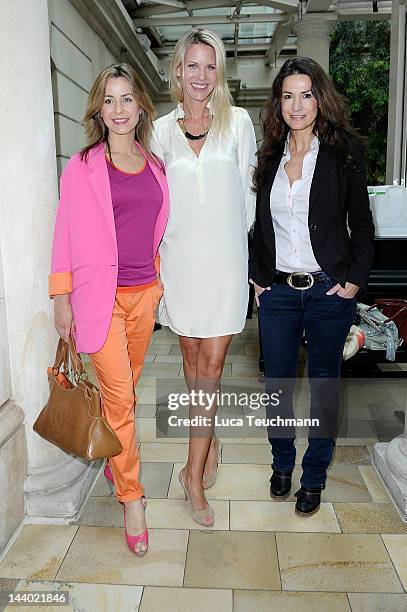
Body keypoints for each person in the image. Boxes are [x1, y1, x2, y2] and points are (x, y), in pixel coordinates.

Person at [49, 63, 169, 555]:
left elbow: (158, 227)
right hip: (101, 300)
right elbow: (65, 233)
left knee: (126, 396)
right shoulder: (82, 165)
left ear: (140, 106)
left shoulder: (156, 165)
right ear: (98, 108)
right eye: (109, 100)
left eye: (126, 99)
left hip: (145, 295)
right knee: (121, 401)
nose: (118, 109)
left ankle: (116, 464)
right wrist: (61, 295)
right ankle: (132, 498)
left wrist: (160, 284)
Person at [249, 57, 375, 516]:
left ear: (320, 99)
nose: (297, 105)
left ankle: (315, 476)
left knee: (324, 390)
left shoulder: (344, 153)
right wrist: (258, 278)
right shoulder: (268, 157)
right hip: (278, 293)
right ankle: (282, 463)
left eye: (306, 95)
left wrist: (354, 280)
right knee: (277, 388)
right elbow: (259, 226)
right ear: (277, 103)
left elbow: (361, 224)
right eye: (288, 96)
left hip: (328, 292)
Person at [152, 28, 256, 526]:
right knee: (191, 360)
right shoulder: (158, 130)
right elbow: (156, 202)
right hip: (179, 262)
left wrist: (243, 257)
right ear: (177, 70)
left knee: (211, 367)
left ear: (220, 72)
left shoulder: (238, 124)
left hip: (224, 262)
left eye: (209, 66)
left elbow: (248, 200)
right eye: (192, 65)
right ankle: (208, 436)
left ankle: (192, 474)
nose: (200, 75)